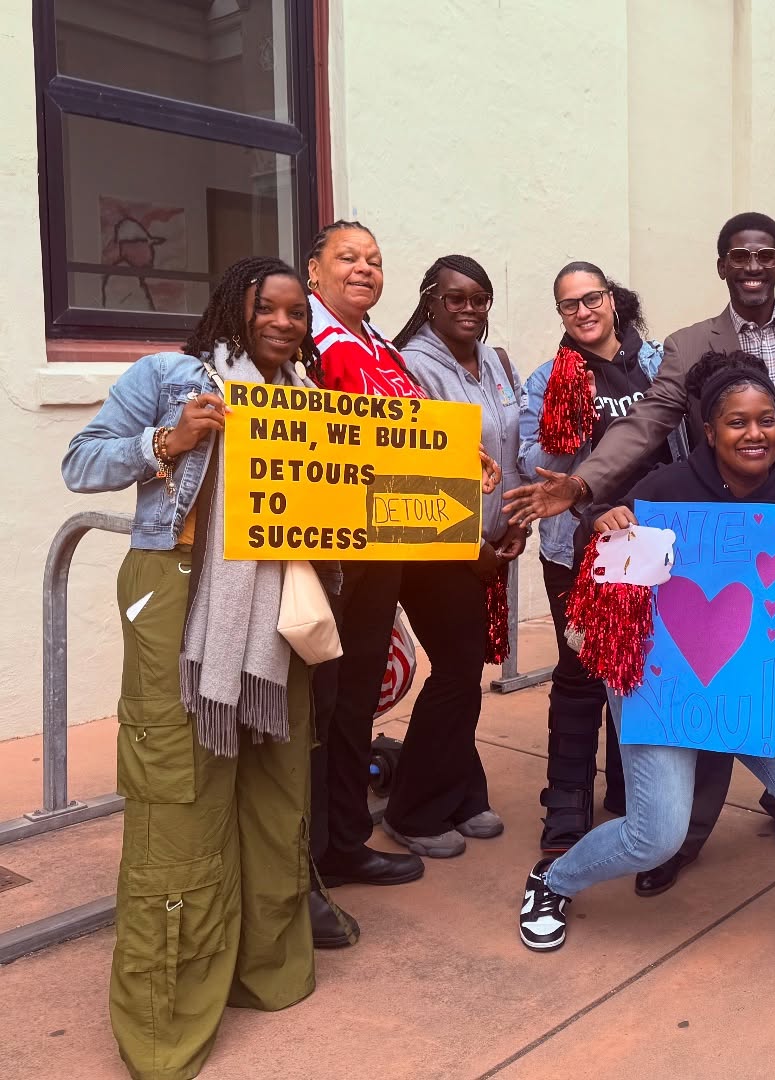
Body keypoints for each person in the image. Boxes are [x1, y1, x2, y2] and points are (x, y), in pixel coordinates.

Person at [505, 212, 775, 894]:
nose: (753, 265)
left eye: (765, 254)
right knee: (669, 792)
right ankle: (673, 839)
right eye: (739, 255)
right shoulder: (674, 445)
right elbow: (646, 425)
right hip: (696, 565)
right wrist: (588, 493)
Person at [518, 351, 775, 954]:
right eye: (737, 422)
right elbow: (600, 564)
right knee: (654, 836)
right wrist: (602, 526)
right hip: (655, 672)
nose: (754, 434)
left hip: (746, 667)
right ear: (709, 431)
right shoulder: (666, 489)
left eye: (766, 420)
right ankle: (552, 882)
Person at [62, 257, 319, 1080]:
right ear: (232, 306)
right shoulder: (170, 375)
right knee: (181, 797)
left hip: (281, 617)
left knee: (276, 791)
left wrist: (455, 484)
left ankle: (263, 969)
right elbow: (81, 462)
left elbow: (359, 494)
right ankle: (165, 1014)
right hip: (182, 601)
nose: (283, 323)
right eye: (267, 308)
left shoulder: (312, 401)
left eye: (295, 313)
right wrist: (168, 440)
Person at [519, 261, 687, 853]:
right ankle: (565, 801)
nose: (584, 312)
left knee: (643, 665)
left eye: (592, 299)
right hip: (581, 543)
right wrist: (566, 418)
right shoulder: (547, 379)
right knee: (581, 669)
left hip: (659, 540)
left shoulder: (663, 360)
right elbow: (533, 462)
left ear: (613, 300)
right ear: (561, 315)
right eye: (570, 305)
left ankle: (629, 789)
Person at [379, 254, 528, 857]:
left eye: (479, 298)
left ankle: (462, 793)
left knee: (464, 671)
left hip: (491, 544)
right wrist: (470, 547)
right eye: (456, 297)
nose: (469, 308)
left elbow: (511, 443)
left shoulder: (494, 361)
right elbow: (415, 467)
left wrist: (515, 523)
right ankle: (413, 810)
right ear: (431, 300)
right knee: (459, 672)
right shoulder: (412, 365)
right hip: (432, 550)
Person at [304, 220, 427, 939]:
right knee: (322, 706)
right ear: (314, 271)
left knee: (354, 704)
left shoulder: (379, 345)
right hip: (332, 550)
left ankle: (345, 840)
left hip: (383, 543)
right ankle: (313, 854)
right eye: (347, 258)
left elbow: (409, 433)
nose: (364, 269)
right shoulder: (311, 343)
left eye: (375, 260)